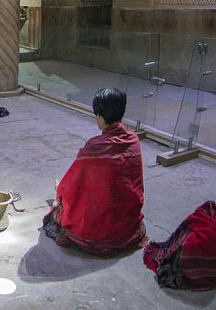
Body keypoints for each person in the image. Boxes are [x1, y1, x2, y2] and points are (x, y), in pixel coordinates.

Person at [42, 87, 148, 257]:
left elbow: (73, 183)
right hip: (128, 224)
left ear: (100, 115)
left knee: (65, 201)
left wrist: (60, 192)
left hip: (99, 230)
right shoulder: (133, 140)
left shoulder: (95, 147)